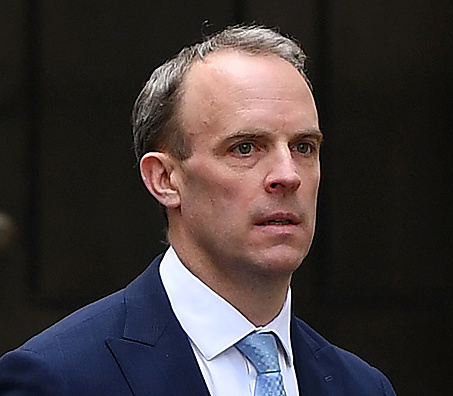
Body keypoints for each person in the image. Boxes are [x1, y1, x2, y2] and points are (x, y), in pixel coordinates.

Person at [0, 25, 397, 395]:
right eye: (246, 147)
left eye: (304, 147)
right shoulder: (57, 378)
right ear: (165, 180)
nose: (288, 175)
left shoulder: (361, 385)